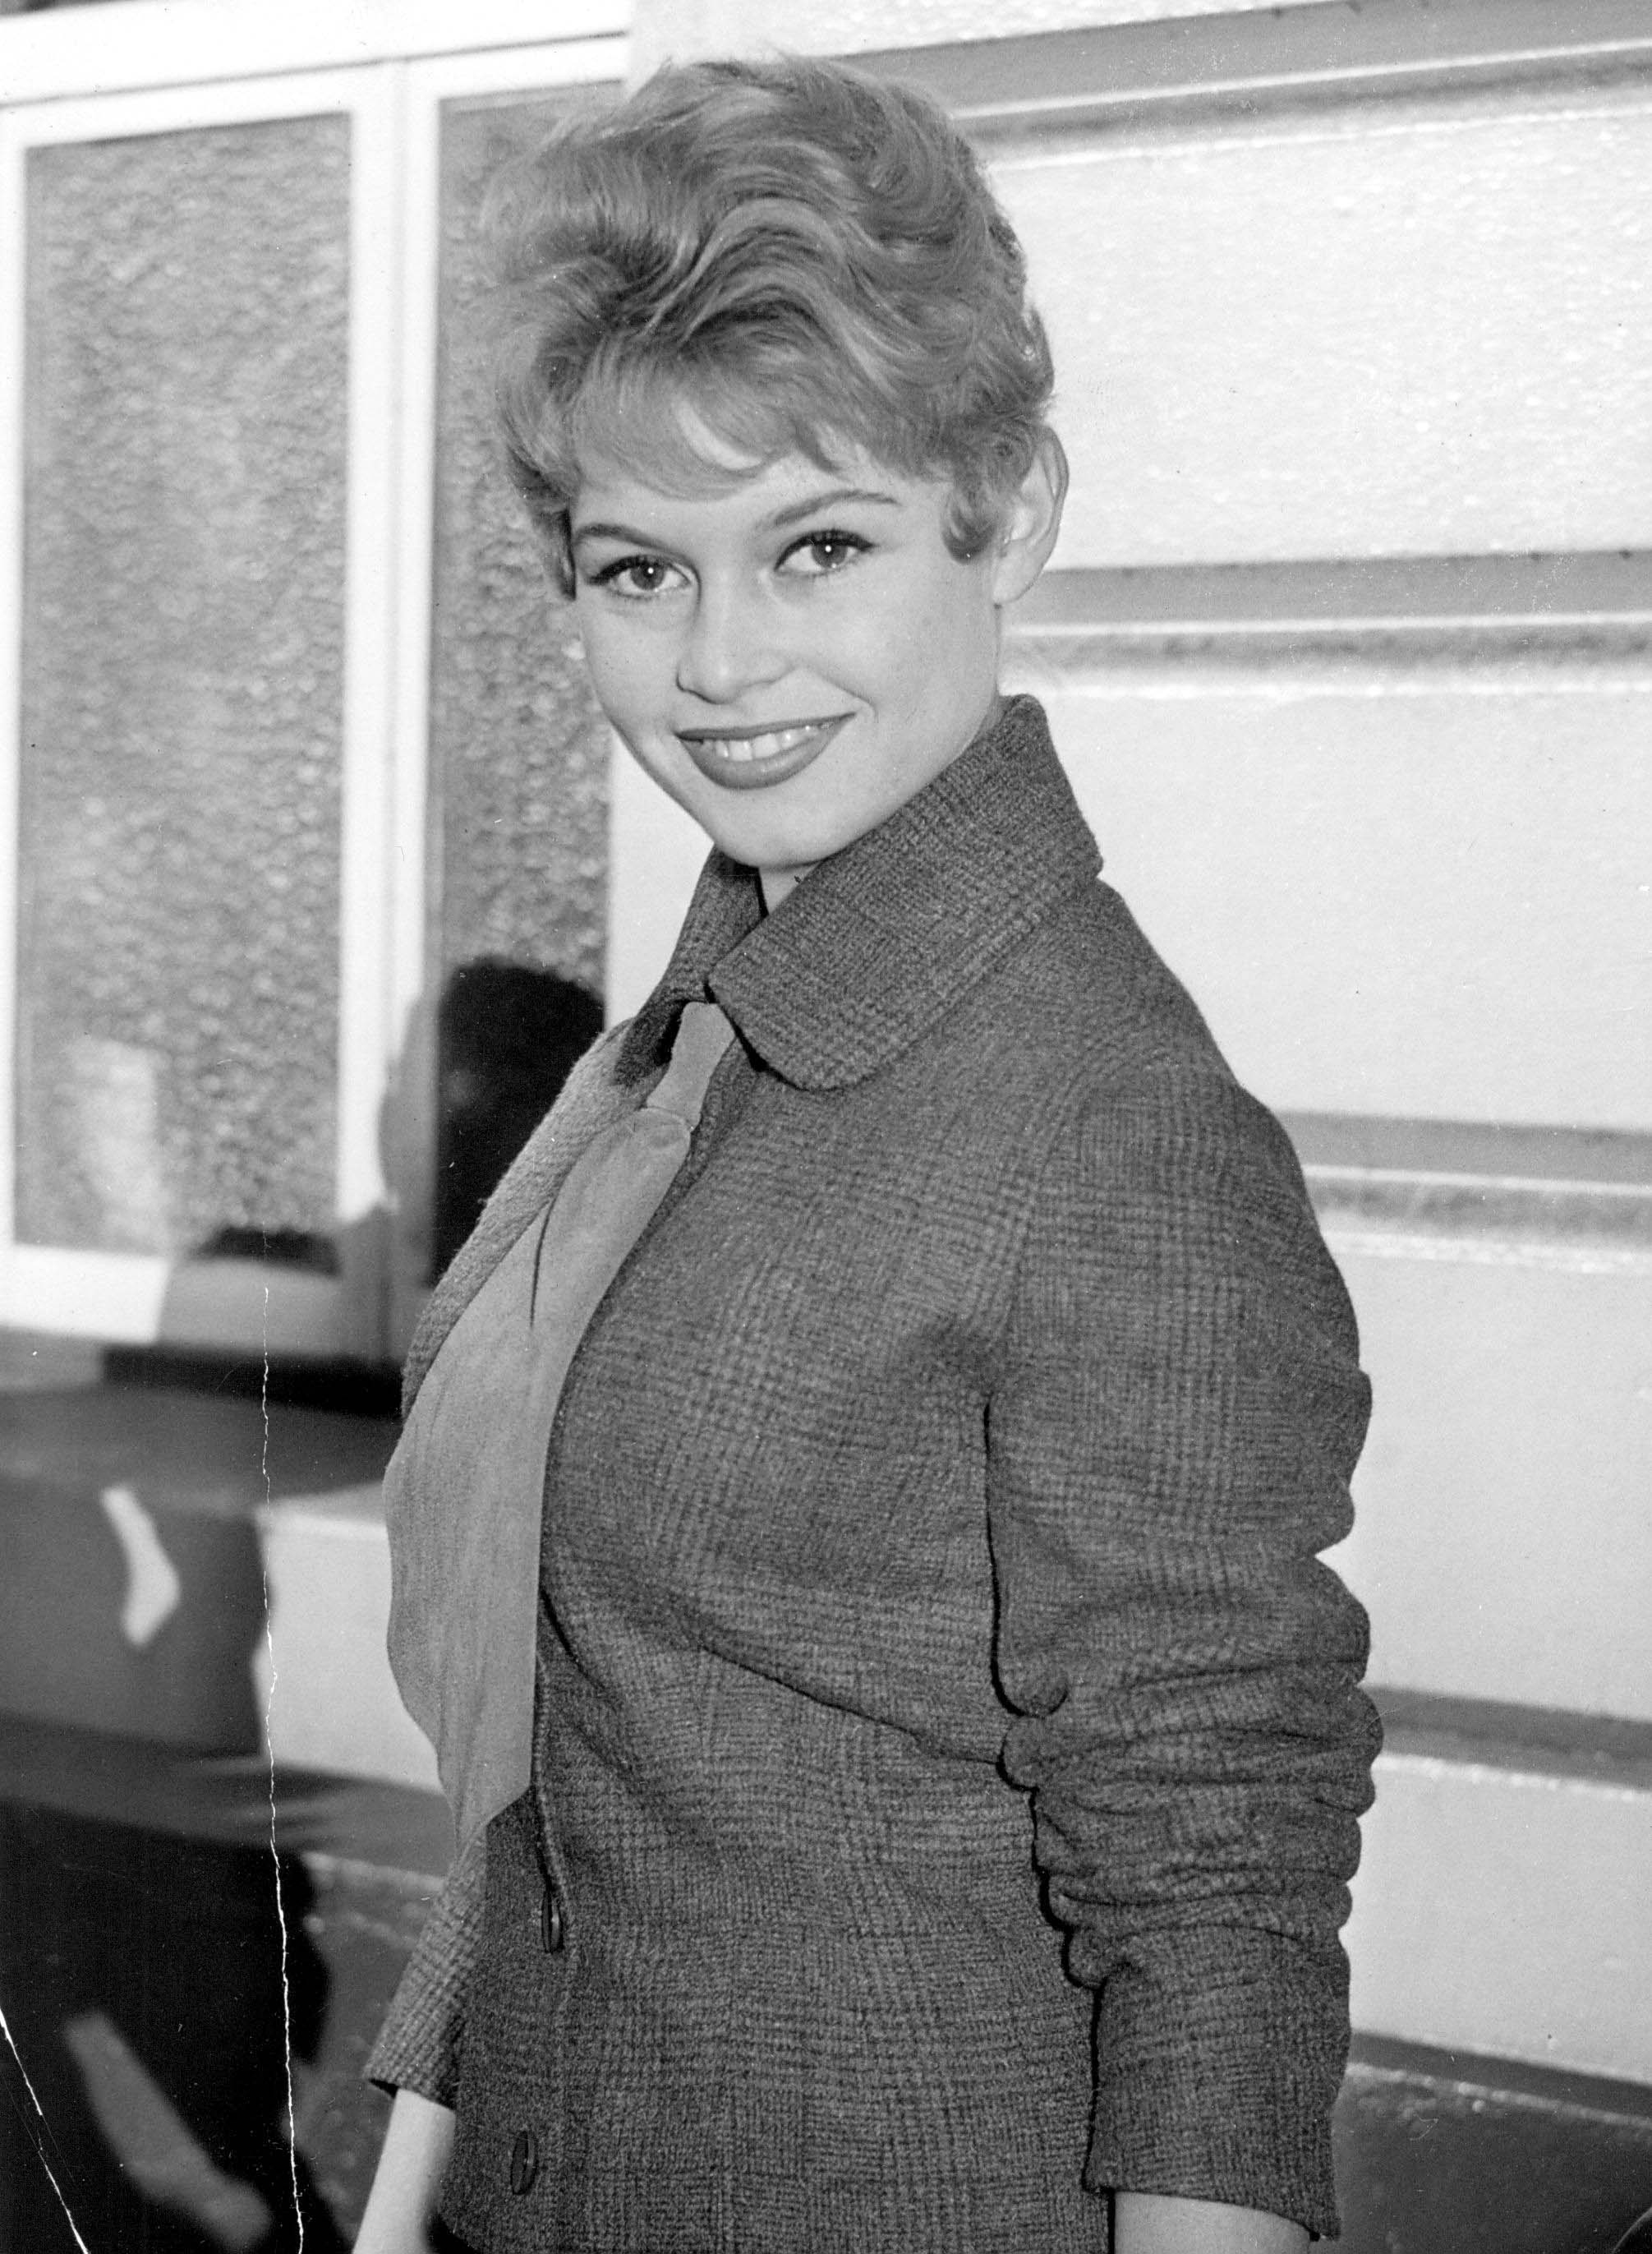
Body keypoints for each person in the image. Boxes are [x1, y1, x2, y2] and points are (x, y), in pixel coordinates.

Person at [355, 55, 1379, 2254]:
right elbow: (589, 1730)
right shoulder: (680, 1049)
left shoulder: (1114, 1131)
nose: (723, 664)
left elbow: (1217, 1890)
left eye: (817, 545)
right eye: (642, 568)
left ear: (1007, 513)